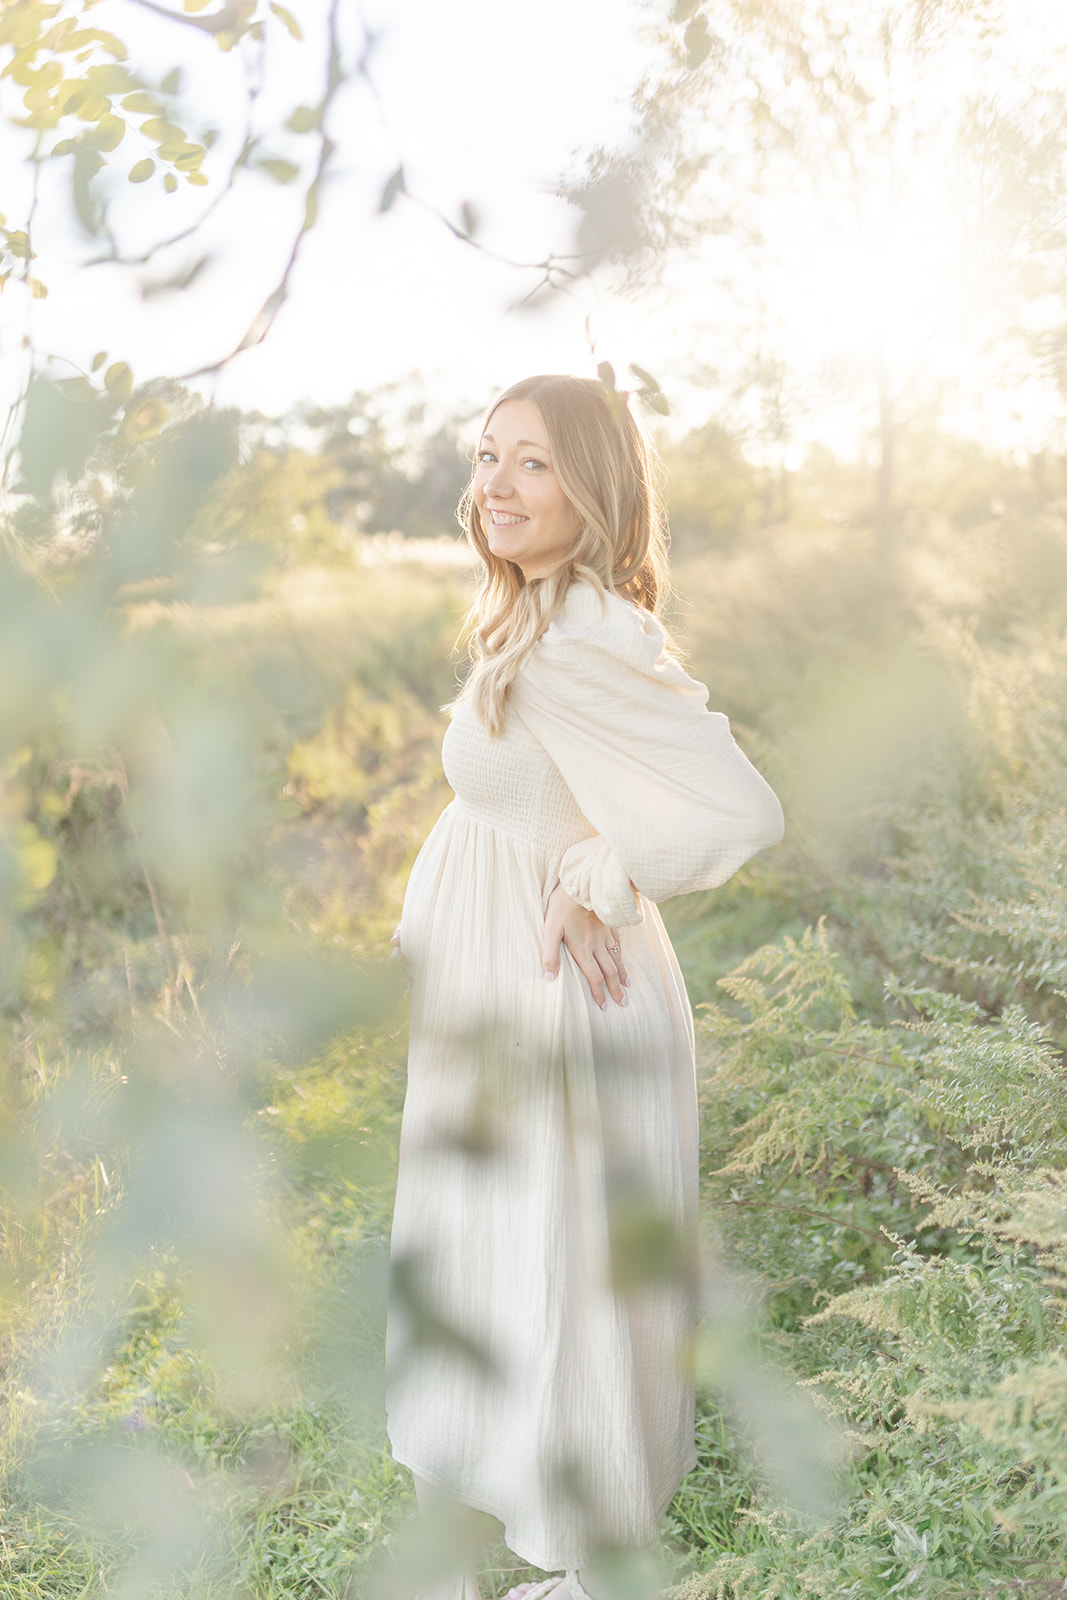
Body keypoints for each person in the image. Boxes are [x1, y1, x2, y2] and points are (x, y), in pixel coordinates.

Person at [385, 374, 784, 1600]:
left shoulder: (577, 642)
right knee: (502, 1262)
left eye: (533, 465)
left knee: (557, 1271)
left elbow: (739, 810)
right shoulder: (539, 616)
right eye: (486, 454)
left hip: (562, 998)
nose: (493, 486)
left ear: (595, 488)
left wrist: (602, 873)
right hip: (503, 994)